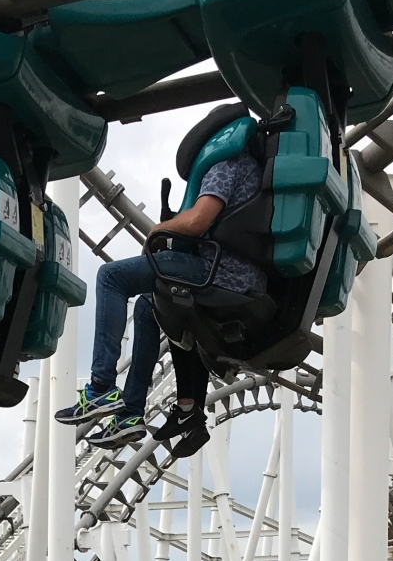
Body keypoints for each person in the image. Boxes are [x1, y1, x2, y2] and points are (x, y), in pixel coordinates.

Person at [60, 140, 269, 456]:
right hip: (241, 274)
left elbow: (198, 220)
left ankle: (100, 387)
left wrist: (160, 229)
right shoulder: (256, 171)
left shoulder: (227, 165)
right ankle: (132, 413)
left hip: (217, 270)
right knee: (149, 306)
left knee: (111, 277)